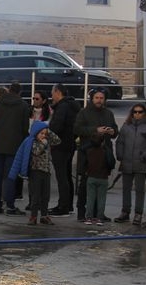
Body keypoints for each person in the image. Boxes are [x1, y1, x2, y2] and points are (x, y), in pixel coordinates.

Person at [73, 88, 118, 222]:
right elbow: (77, 129)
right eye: (97, 98)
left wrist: (112, 131)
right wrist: (95, 130)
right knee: (84, 185)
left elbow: (115, 130)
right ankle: (82, 213)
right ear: (92, 99)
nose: (99, 100)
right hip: (87, 153)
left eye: (101, 98)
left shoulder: (108, 113)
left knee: (101, 184)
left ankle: (98, 213)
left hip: (103, 155)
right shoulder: (84, 113)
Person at [0, 81, 30, 215]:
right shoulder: (23, 105)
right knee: (10, 176)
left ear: (9, 90)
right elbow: (25, 128)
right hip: (14, 146)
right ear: (19, 92)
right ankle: (10, 205)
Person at [9, 121, 61, 225]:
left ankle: (44, 215)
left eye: (45, 134)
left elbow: (58, 140)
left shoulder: (47, 139)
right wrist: (43, 142)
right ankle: (33, 216)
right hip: (35, 172)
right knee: (35, 195)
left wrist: (48, 131)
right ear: (35, 133)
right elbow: (37, 151)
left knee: (46, 195)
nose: (43, 136)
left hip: (46, 171)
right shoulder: (32, 142)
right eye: (41, 133)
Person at [114, 103, 146, 225]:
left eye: (140, 112)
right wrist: (120, 155)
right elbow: (119, 141)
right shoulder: (126, 126)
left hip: (141, 162)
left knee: (139, 190)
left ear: (144, 113)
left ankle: (138, 214)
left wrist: (145, 155)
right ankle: (125, 212)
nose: (137, 114)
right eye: (135, 112)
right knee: (126, 188)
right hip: (126, 162)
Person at [48, 84, 81, 217]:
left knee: (62, 177)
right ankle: (68, 204)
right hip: (69, 144)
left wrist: (48, 132)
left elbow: (57, 126)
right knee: (67, 176)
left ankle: (63, 206)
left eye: (52, 92)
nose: (52, 96)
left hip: (60, 145)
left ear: (58, 92)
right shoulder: (73, 106)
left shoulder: (62, 107)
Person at [81, 133, 114, 225]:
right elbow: (111, 162)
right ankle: (99, 218)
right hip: (103, 177)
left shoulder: (89, 151)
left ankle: (88, 218)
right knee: (101, 199)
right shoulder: (105, 151)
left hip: (91, 177)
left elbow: (83, 156)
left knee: (90, 198)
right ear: (102, 141)